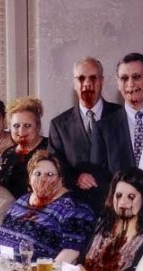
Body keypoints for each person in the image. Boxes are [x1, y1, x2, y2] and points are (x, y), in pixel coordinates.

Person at [0, 151, 95, 264]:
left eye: (50, 174)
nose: (42, 179)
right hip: (3, 268)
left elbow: (71, 254)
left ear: (61, 179)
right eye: (37, 174)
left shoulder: (75, 209)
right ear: (29, 178)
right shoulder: (22, 200)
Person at [90, 53, 143, 181]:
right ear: (118, 83)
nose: (130, 84)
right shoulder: (103, 129)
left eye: (136, 77)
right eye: (124, 78)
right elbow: (98, 179)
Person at [48, 57, 121, 209]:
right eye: (81, 78)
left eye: (93, 78)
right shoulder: (59, 125)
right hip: (75, 207)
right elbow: (55, 165)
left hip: (116, 204)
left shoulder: (121, 116)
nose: (87, 83)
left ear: (102, 81)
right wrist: (76, 178)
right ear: (74, 84)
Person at [83, 167, 143, 271]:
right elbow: (81, 264)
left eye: (131, 197)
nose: (123, 203)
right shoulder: (102, 225)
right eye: (119, 195)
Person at [0, 97, 48, 198]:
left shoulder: (50, 148)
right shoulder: (7, 154)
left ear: (38, 126)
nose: (21, 131)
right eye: (16, 126)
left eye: (27, 125)